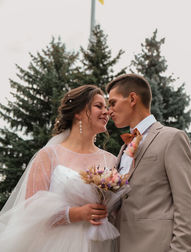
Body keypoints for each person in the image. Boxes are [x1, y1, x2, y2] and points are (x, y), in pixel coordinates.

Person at [0, 85, 118, 252]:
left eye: (106, 107)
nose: (106, 112)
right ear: (77, 113)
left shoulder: (111, 160)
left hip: (101, 244)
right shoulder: (48, 156)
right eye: (99, 106)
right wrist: (75, 214)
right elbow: (31, 212)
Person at [106, 73, 191, 252]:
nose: (109, 111)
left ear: (132, 98)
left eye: (113, 103)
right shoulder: (123, 149)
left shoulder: (172, 138)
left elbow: (186, 204)